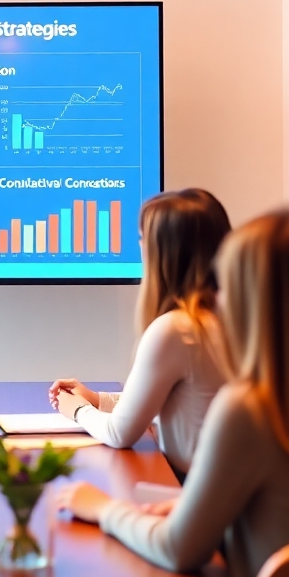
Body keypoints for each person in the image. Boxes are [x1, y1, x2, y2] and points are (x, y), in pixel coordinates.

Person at [57, 211, 289, 577]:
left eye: (225, 287)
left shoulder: (246, 410)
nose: (218, 300)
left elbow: (179, 550)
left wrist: (103, 508)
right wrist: (192, 506)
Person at [48, 189, 230, 477]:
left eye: (143, 239)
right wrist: (96, 399)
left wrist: (77, 410)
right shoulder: (227, 320)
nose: (139, 246)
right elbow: (170, 398)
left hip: (188, 494)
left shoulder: (176, 330)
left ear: (165, 253)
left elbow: (120, 433)